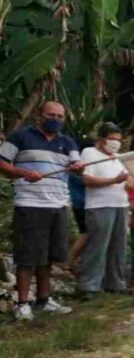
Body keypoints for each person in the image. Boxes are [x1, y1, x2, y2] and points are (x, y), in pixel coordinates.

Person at [0, 101, 80, 320]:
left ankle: (43, 301)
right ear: (39, 115)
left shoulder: (68, 142)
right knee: (27, 256)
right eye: (51, 114)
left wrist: (78, 168)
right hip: (30, 204)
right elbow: (2, 162)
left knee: (48, 257)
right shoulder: (21, 136)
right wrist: (22, 172)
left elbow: (78, 168)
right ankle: (22, 303)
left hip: (58, 205)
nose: (55, 119)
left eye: (60, 116)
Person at [77, 122, 130, 299]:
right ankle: (89, 286)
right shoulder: (89, 153)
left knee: (119, 246)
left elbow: (126, 181)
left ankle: (115, 283)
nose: (116, 143)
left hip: (121, 204)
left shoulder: (119, 157)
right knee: (97, 246)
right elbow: (87, 180)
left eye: (118, 140)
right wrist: (114, 180)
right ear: (101, 139)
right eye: (112, 139)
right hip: (99, 206)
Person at [66, 167, 87, 277]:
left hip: (79, 205)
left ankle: (72, 262)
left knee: (85, 235)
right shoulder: (75, 177)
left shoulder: (72, 175)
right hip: (82, 206)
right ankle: (68, 262)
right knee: (86, 235)